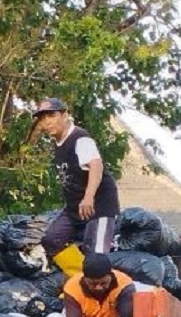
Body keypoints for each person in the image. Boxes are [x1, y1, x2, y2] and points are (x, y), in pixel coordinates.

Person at [30, 97, 121, 257]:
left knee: (96, 258)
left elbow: (96, 165)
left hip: (98, 205)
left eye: (52, 116)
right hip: (74, 208)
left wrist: (89, 197)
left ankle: (101, 268)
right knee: (51, 240)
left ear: (65, 115)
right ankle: (78, 274)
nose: (47, 122)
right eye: (43, 118)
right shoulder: (58, 143)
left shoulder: (80, 138)